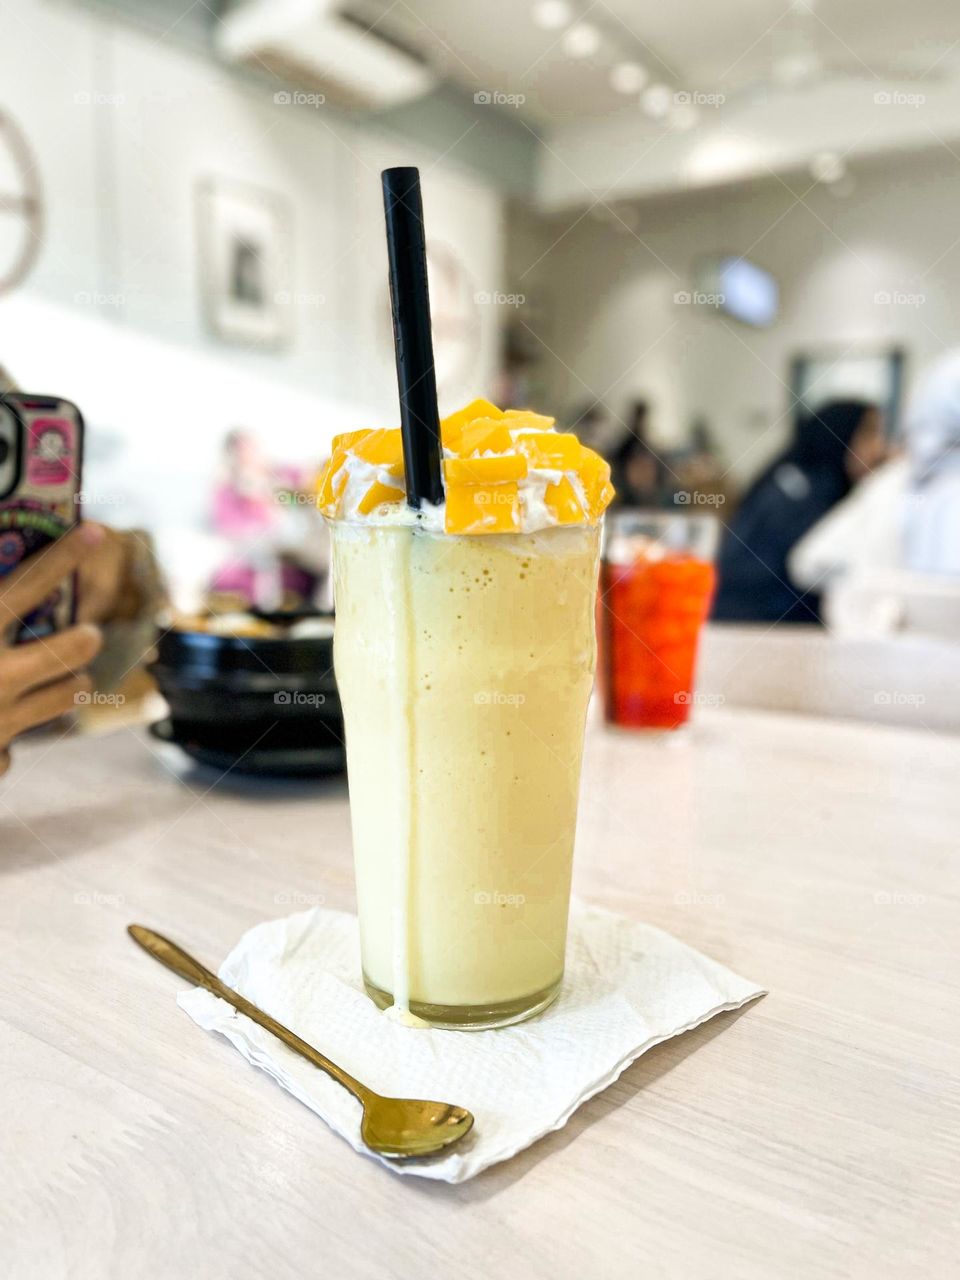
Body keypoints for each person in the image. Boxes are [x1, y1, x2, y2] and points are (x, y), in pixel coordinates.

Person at [712, 399, 886, 624]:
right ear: (840, 433)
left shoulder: (808, 481)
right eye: (870, 434)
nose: (879, 448)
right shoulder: (802, 497)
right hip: (754, 626)